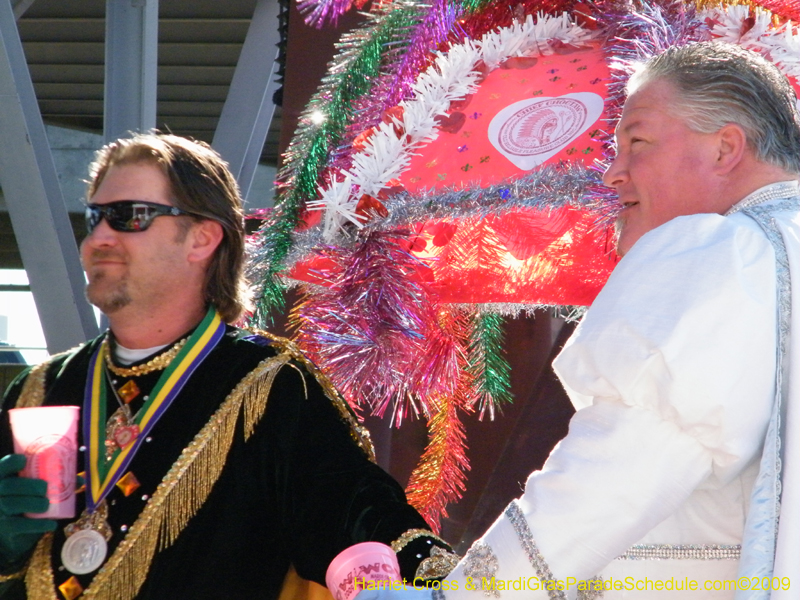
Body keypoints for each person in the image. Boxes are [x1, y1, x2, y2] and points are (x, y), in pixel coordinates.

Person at [359, 41, 800, 600]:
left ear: (726, 148)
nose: (613, 175)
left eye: (637, 142)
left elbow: (619, 472)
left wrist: (459, 596)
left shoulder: (721, 250)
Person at [0, 134, 455, 600]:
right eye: (94, 217)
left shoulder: (269, 387)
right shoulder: (37, 389)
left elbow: (363, 522)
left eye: (128, 216)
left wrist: (465, 587)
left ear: (202, 238)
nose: (97, 238)